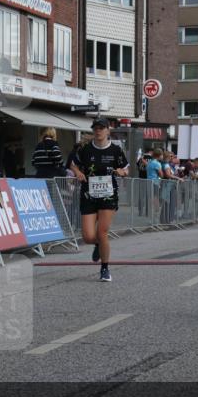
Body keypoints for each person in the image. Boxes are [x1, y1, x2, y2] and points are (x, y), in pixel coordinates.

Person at [69, 118, 129, 282]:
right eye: (95, 128)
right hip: (88, 194)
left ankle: (105, 268)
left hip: (108, 195)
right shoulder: (85, 149)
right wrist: (77, 172)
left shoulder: (116, 150)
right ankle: (98, 245)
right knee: (88, 236)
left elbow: (126, 169)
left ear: (108, 131)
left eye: (102, 128)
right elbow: (72, 164)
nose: (98, 131)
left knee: (102, 232)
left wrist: (121, 172)